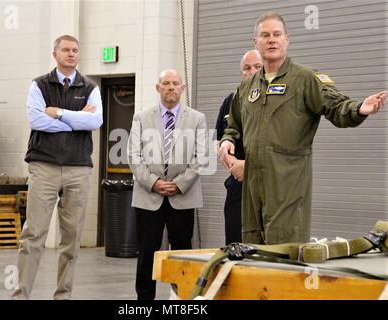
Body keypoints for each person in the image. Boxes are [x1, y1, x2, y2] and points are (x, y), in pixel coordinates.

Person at [219, 13, 386, 245]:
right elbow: (234, 124)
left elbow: (335, 105)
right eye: (265, 35)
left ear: (287, 39)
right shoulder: (247, 87)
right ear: (255, 42)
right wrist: (228, 140)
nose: (271, 40)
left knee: (284, 253)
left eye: (277, 34)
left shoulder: (304, 79)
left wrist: (359, 109)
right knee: (252, 253)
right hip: (251, 188)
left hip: (287, 186)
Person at [12, 35, 103, 300]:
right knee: (33, 235)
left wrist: (60, 113)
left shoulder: (90, 86)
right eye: (66, 50)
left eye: (75, 50)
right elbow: (37, 120)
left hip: (78, 169)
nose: (71, 54)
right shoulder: (39, 85)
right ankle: (21, 295)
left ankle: (63, 295)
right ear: (55, 54)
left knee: (72, 239)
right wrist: (77, 120)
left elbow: (95, 121)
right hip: (44, 167)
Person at [128, 69, 207, 300]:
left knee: (182, 254)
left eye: (175, 83)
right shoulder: (141, 118)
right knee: (147, 253)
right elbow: (133, 156)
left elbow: (201, 157)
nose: (171, 87)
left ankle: (182, 299)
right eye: (166, 83)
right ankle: (144, 302)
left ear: (182, 88)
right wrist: (154, 183)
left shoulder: (197, 118)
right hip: (148, 196)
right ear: (158, 88)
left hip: (182, 196)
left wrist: (178, 184)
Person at [215, 49, 262, 245]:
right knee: (234, 245)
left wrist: (248, 166)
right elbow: (219, 140)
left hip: (266, 186)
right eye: (246, 68)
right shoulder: (230, 101)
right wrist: (233, 164)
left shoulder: (274, 100)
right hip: (237, 185)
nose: (251, 71)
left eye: (257, 67)